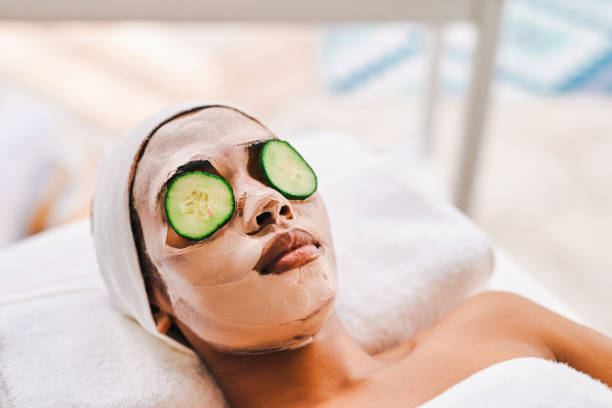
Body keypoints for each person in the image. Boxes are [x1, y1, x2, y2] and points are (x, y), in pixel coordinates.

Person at [100, 104, 612, 407]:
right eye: (198, 200)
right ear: (156, 298)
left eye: (275, 169)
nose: (269, 203)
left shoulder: (502, 325)